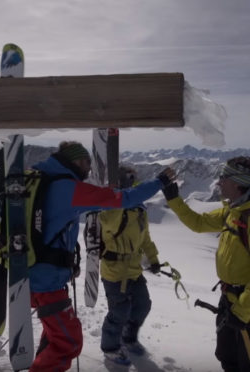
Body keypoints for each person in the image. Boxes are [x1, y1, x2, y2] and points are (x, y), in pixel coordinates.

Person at [29, 141, 175, 372]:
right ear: (76, 160)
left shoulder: (43, 180)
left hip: (34, 273)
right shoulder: (67, 188)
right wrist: (159, 182)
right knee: (68, 341)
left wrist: (64, 263)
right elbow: (120, 200)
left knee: (54, 335)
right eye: (87, 163)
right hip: (45, 282)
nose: (88, 170)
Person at [162, 156, 250, 372]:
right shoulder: (233, 210)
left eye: (223, 177)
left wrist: (243, 312)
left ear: (236, 183)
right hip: (230, 299)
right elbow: (198, 224)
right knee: (228, 358)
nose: (218, 182)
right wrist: (174, 199)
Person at [97, 165, 161, 366]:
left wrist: (154, 259)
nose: (134, 183)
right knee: (119, 311)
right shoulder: (110, 209)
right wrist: (120, 197)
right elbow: (107, 223)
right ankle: (110, 348)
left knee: (142, 305)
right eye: (130, 180)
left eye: (135, 180)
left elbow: (145, 239)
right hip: (115, 270)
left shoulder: (140, 210)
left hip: (134, 269)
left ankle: (128, 336)